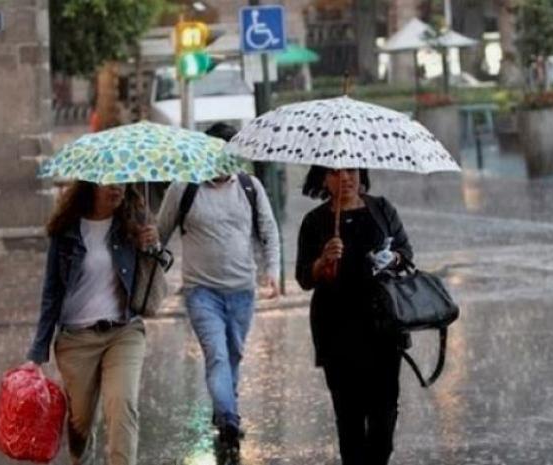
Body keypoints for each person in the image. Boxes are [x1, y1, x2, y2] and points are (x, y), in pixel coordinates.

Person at [140, 123, 280, 454]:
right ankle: (230, 419)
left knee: (232, 356)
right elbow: (161, 233)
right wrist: (149, 240)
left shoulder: (250, 187)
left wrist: (272, 272)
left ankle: (223, 412)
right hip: (202, 292)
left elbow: (269, 231)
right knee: (217, 355)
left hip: (243, 290)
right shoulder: (184, 189)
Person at [26, 181, 150, 465]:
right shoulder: (67, 229)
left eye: (121, 181)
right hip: (76, 339)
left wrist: (151, 246)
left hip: (124, 332)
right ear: (91, 185)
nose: (116, 188)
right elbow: (52, 291)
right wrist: (38, 351)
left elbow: (152, 275)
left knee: (122, 406)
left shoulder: (132, 223)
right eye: (108, 182)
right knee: (80, 422)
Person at [295, 167, 413, 465]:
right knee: (349, 417)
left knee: (384, 415)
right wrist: (323, 262)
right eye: (335, 173)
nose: (345, 177)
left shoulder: (381, 208)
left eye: (351, 170)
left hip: (383, 326)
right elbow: (304, 278)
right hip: (336, 330)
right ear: (323, 180)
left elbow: (405, 252)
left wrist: (393, 257)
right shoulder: (315, 221)